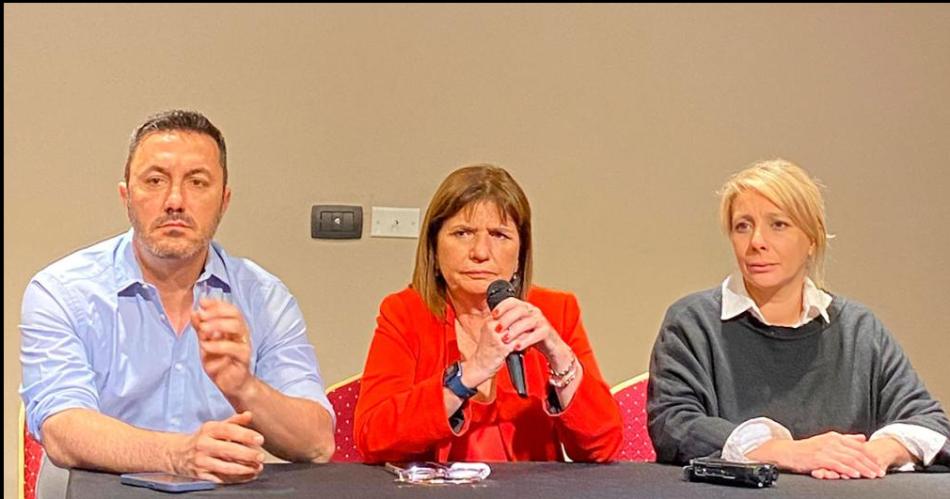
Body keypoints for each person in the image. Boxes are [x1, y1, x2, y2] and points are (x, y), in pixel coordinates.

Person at [19, 110, 336, 488]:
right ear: (126, 196)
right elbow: (63, 428)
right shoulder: (62, 291)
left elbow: (317, 444)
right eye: (155, 181)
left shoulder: (265, 297)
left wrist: (245, 388)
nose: (175, 201)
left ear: (224, 200)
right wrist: (177, 454)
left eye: (197, 182)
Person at [647, 159, 950, 479]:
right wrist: (786, 452)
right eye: (743, 226)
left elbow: (930, 423)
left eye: (778, 225)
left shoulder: (859, 330)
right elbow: (674, 424)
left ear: (812, 239)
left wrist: (872, 454)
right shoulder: (693, 323)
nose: (757, 242)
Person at [354, 164, 622, 463]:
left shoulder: (556, 311)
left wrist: (558, 353)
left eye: (499, 235)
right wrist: (469, 374)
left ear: (520, 255)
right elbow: (372, 439)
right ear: (434, 247)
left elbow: (603, 447)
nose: (480, 251)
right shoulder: (404, 313)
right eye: (463, 233)